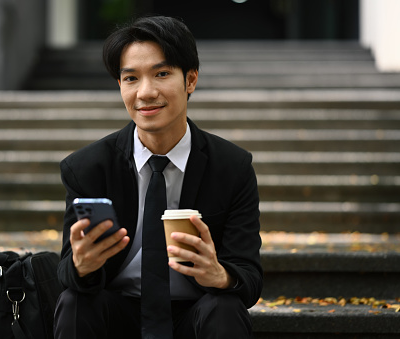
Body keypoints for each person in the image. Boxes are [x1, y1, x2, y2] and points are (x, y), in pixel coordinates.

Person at [54, 16, 262, 339]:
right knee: (74, 302)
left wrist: (219, 274)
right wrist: (81, 266)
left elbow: (249, 277)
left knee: (225, 309)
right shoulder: (87, 168)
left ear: (190, 80)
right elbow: (67, 273)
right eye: (131, 78)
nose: (145, 92)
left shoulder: (232, 168)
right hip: (118, 310)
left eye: (161, 74)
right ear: (120, 86)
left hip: (194, 314)